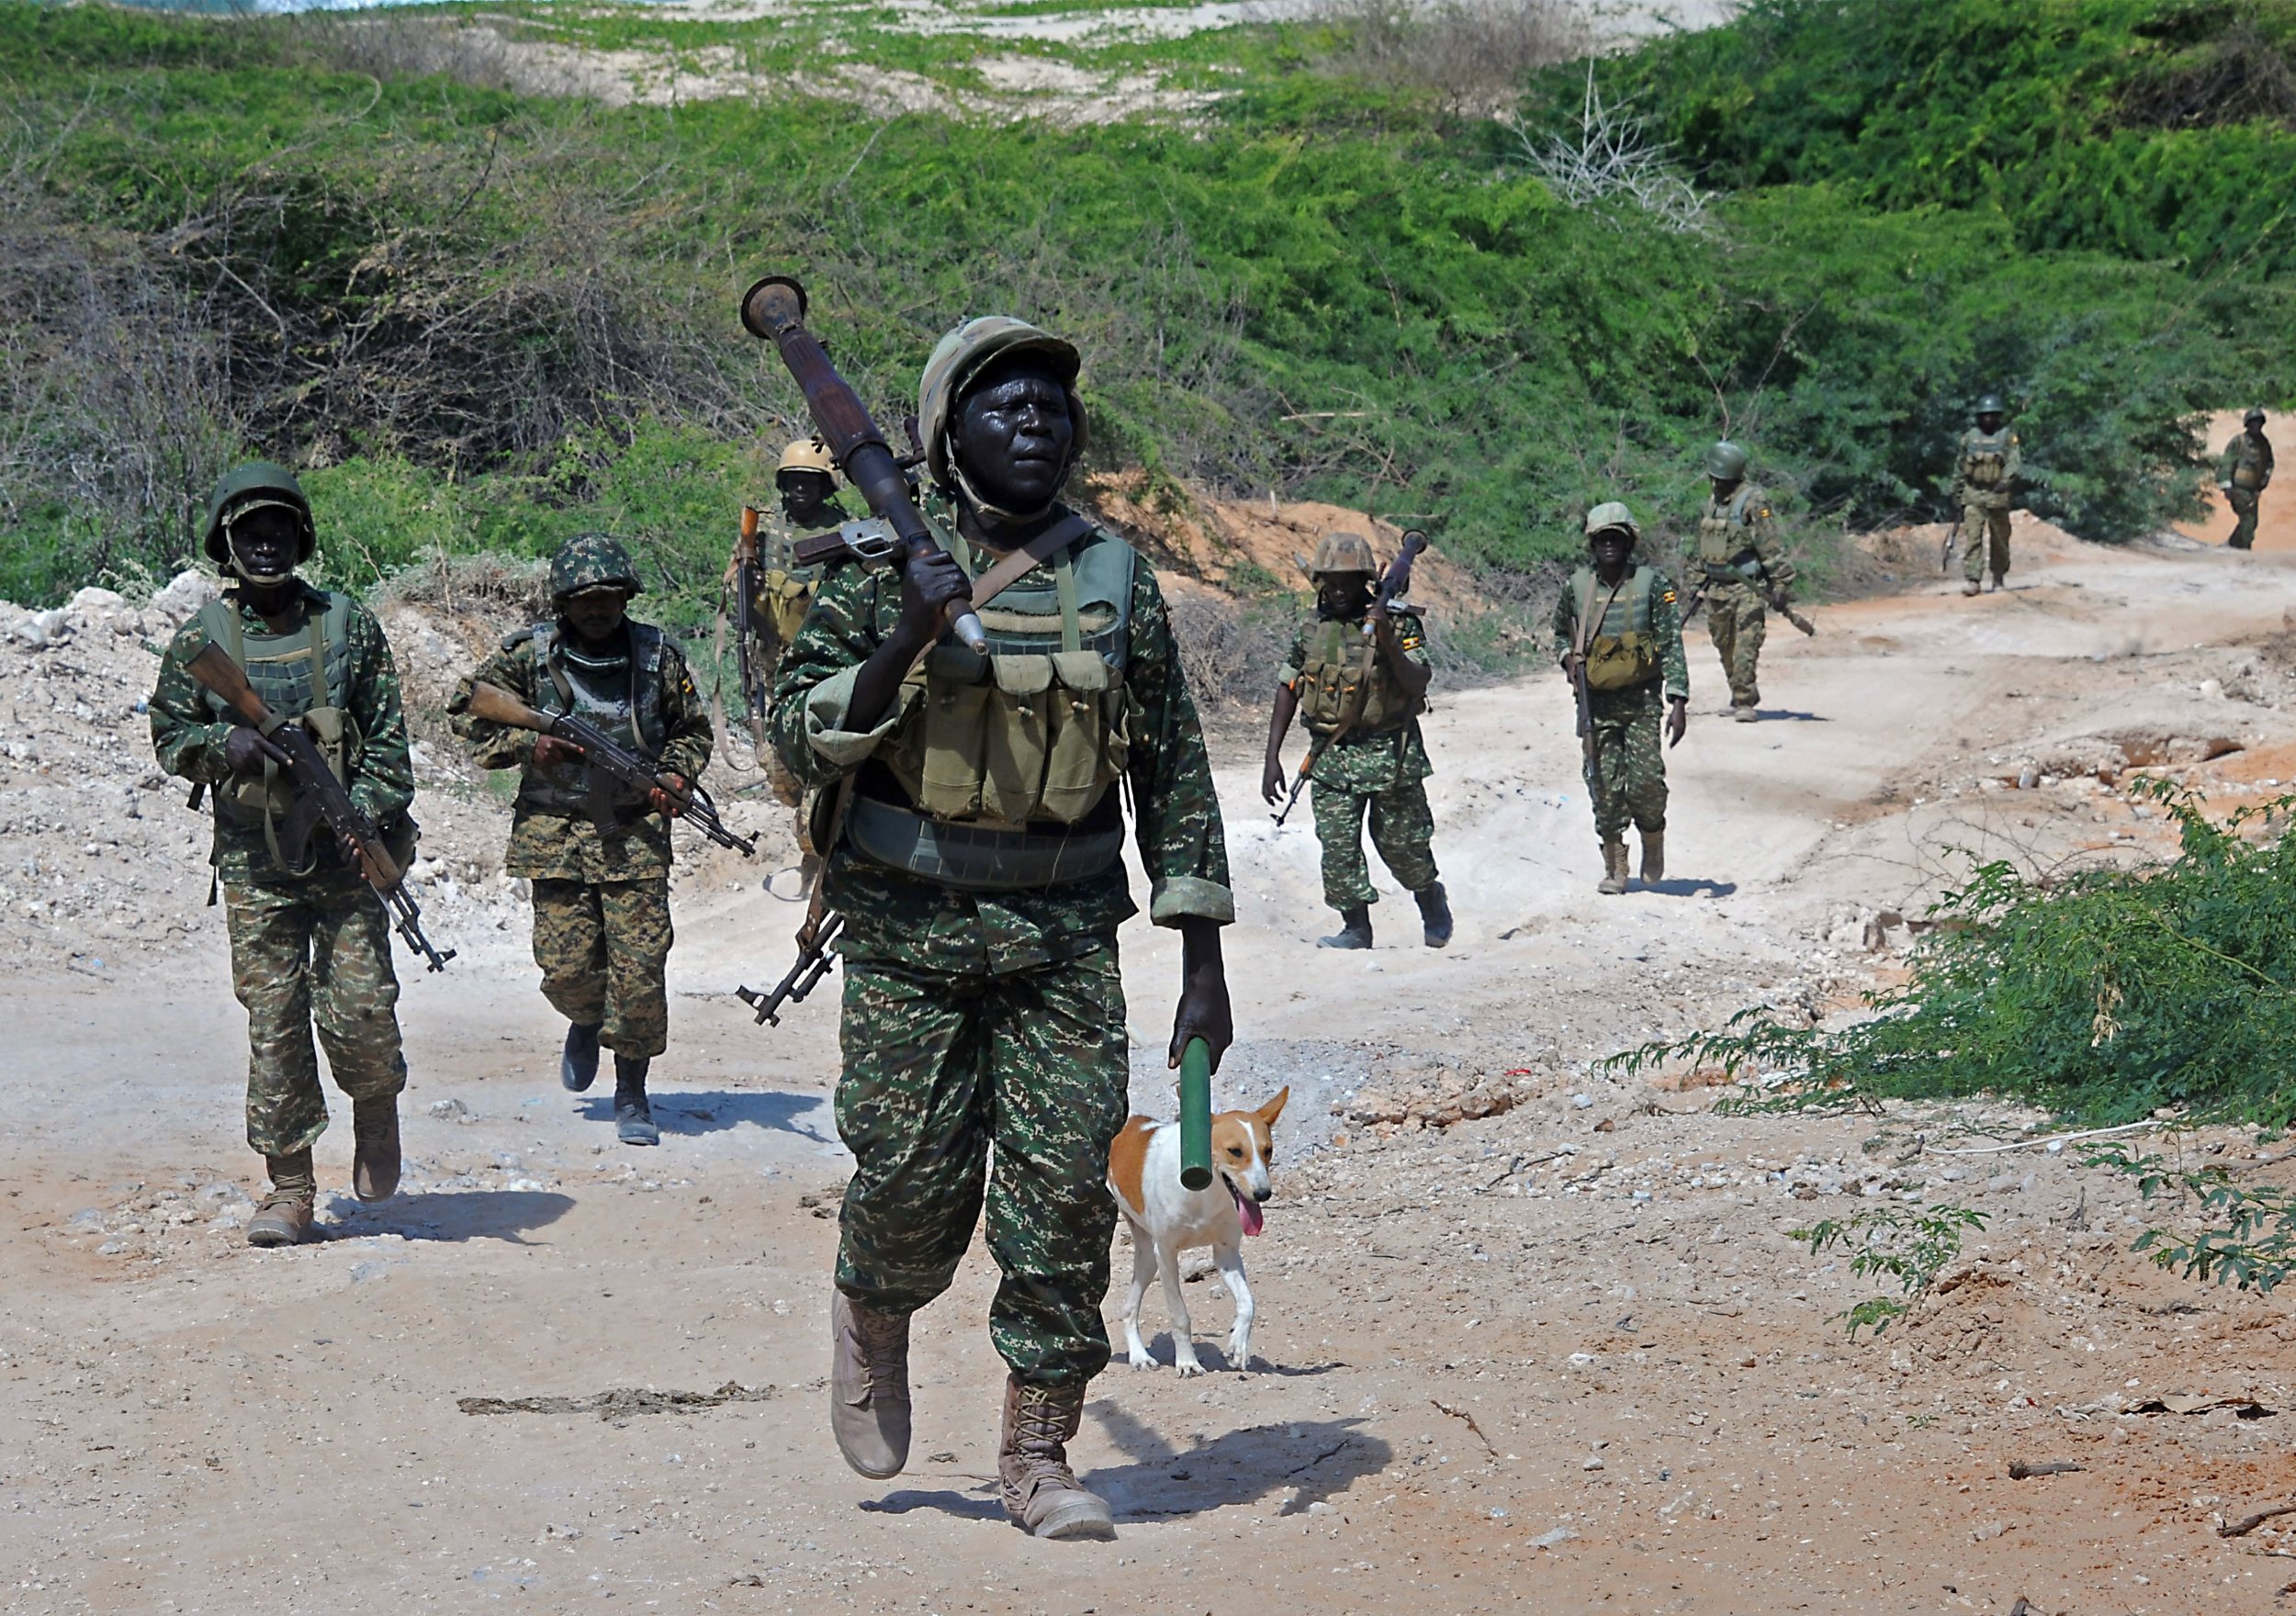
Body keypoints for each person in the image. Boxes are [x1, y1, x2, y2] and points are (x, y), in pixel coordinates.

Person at [769, 315, 1233, 1542]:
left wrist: (1203, 963)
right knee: (912, 1178)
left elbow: (1175, 778)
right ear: (945, 435)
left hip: (1066, 932)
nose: (1037, 420)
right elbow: (795, 736)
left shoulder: (1116, 577)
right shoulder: (876, 569)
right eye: (1004, 405)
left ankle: (1039, 1453)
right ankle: (874, 1309)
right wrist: (908, 635)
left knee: (1065, 1194)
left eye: (1052, 405)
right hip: (908, 930)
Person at [148, 462, 416, 1247]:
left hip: (343, 858)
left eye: (279, 529)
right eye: (249, 532)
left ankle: (375, 1108)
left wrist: (357, 815)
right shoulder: (203, 640)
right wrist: (217, 744)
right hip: (254, 863)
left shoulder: (349, 625)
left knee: (364, 1008)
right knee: (274, 1022)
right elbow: (168, 737)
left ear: (301, 537)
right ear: (226, 544)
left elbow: (392, 749)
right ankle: (290, 1187)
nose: (266, 544)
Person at [447, 534, 715, 1148]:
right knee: (565, 969)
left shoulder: (657, 656)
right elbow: (466, 709)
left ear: (626, 596)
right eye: (583, 600)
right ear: (563, 602)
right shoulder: (527, 656)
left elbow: (691, 732)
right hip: (555, 833)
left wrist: (674, 776)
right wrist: (527, 745)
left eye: (608, 598)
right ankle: (586, 1016)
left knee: (640, 973)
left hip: (634, 834)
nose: (597, 610)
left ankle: (632, 1091)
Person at [1259, 532, 1450, 950]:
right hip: (1330, 754)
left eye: (1350, 580)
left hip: (1391, 753)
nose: (1341, 589)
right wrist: (1271, 755)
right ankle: (1356, 928)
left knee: (1404, 847)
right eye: (1332, 580)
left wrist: (1387, 642)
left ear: (1367, 579)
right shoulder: (1311, 628)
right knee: (1339, 849)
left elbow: (1419, 682)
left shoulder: (1399, 623)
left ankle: (1430, 897)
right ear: (1320, 580)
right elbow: (1288, 685)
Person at [1554, 502, 1689, 894]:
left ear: (1629, 541)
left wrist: (1678, 699)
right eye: (1602, 538)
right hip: (1596, 704)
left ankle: (1652, 838)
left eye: (1616, 537)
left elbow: (1671, 643)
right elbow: (1560, 632)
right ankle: (1615, 866)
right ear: (1592, 544)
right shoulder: (1576, 588)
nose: (1609, 544)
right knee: (1603, 785)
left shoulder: (1652, 585)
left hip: (1642, 700)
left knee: (1646, 783)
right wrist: (1568, 661)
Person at [732, 438, 858, 805]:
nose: (801, 488)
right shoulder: (765, 530)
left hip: (829, 652)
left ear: (825, 485)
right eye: (793, 480)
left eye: (810, 480)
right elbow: (741, 588)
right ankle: (797, 807)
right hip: (775, 654)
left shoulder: (847, 530)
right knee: (781, 737)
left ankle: (823, 811)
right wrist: (747, 573)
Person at [1688, 440, 1793, 722]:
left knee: (1747, 644)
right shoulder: (1711, 504)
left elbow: (1769, 543)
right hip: (1717, 587)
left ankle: (1746, 700)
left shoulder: (1754, 500)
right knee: (1725, 644)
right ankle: (1737, 693)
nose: (1715, 483)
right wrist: (1696, 581)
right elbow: (1706, 545)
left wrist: (1780, 583)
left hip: (1747, 587)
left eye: (1719, 479)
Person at [1953, 395, 2022, 595]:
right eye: (1985, 415)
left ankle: (1998, 578)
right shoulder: (1968, 438)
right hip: (1973, 493)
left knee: (2000, 538)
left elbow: (2014, 463)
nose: (1989, 419)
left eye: (1993, 415)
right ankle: (1973, 580)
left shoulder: (2007, 437)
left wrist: (2005, 481)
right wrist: (1956, 494)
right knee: (1973, 538)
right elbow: (1959, 467)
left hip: (1997, 494)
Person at [2219, 409, 2274, 552]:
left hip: (2253, 489)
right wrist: (2226, 486)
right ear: (2248, 424)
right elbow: (2226, 463)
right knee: (2248, 521)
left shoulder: (2264, 444)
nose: (2256, 426)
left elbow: (2269, 464)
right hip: (2238, 489)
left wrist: (2263, 483)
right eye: (2253, 423)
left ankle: (2232, 545)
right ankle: (2243, 550)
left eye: (2259, 423)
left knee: (2252, 522)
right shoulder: (2239, 441)